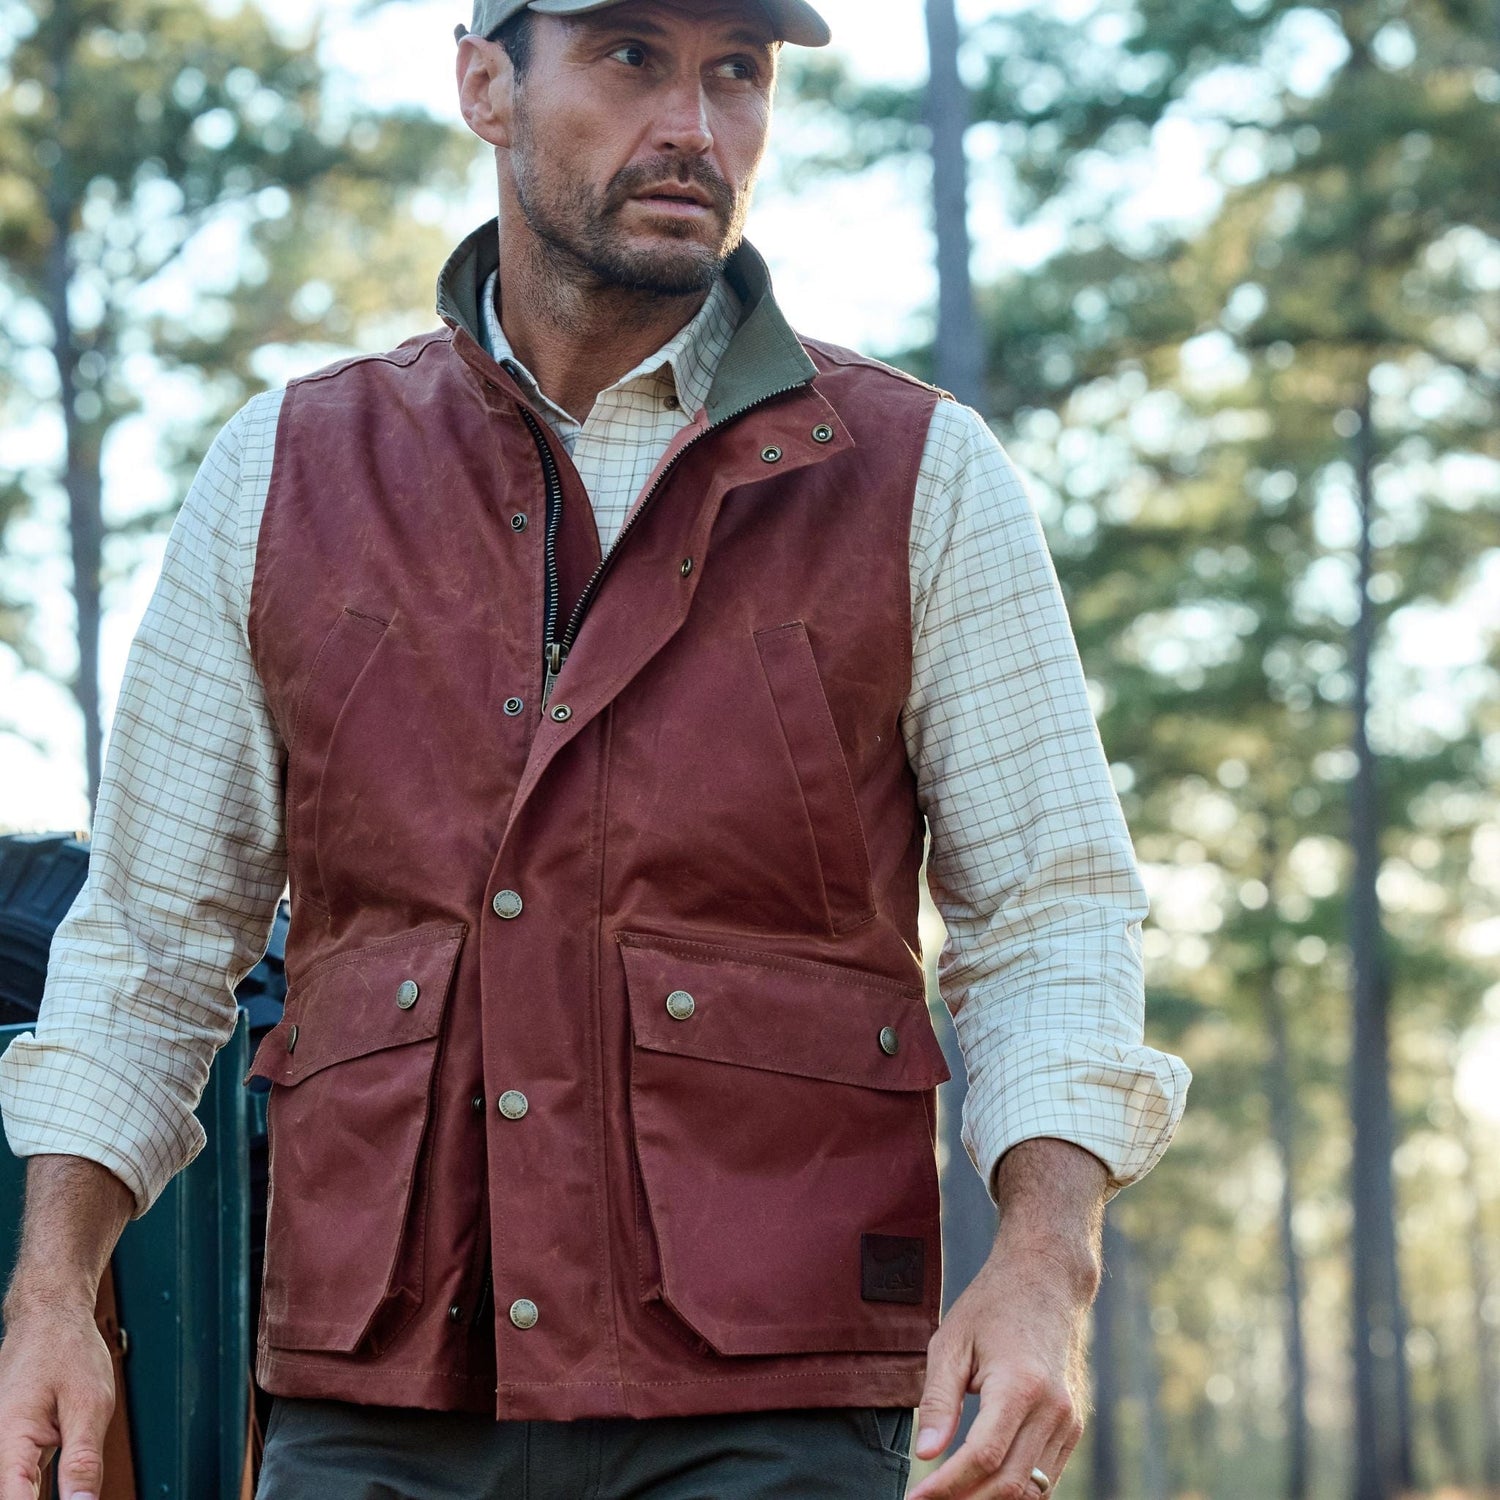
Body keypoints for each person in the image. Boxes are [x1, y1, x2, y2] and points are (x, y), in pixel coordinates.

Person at [0, 1, 1190, 1496]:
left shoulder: (923, 477)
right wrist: (53, 1294)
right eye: (632, 57)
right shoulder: (281, 471)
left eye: (736, 74)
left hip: (781, 1393)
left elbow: (1052, 917)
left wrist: (1043, 1271)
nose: (695, 124)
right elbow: (153, 940)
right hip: (381, 1395)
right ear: (485, 83)